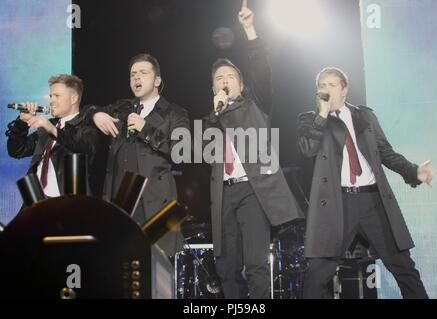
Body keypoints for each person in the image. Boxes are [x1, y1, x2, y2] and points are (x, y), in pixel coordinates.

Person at [297, 67, 437, 299]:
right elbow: (308, 149)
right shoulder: (310, 120)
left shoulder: (364, 116)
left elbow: (386, 153)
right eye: (322, 86)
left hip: (372, 201)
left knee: (403, 267)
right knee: (317, 273)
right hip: (337, 204)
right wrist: (322, 115)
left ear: (344, 90)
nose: (326, 90)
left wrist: (414, 171)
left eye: (332, 85)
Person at [204, 2, 304, 299]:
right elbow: (203, 153)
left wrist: (249, 30)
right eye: (218, 79)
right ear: (212, 88)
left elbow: (261, 69)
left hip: (252, 190)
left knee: (255, 265)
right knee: (226, 267)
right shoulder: (212, 116)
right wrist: (214, 116)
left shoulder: (256, 104)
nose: (223, 82)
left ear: (242, 85)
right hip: (223, 194)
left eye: (229, 77)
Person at [83, 53, 189, 258]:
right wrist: (95, 115)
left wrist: (145, 129)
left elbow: (181, 151)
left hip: (156, 204)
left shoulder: (174, 112)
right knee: (123, 271)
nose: (137, 78)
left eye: (143, 73)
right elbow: (87, 111)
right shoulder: (121, 107)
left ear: (157, 80)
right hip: (120, 203)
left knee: (158, 272)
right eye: (133, 75)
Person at [6, 74, 99, 197]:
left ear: (73, 99)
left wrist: (53, 130)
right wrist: (22, 123)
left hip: (66, 204)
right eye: (51, 96)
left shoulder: (86, 128)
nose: (51, 101)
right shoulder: (49, 126)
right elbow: (16, 151)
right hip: (36, 200)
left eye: (57, 96)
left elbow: (83, 148)